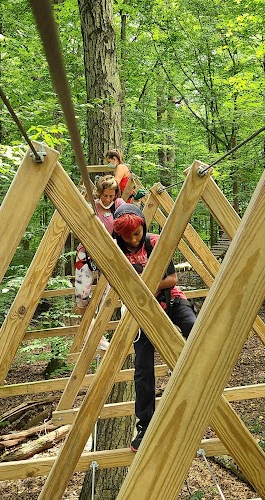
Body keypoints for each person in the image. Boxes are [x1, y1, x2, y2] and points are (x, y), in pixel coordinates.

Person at [113, 203, 197, 451]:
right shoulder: (116, 250)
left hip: (170, 298)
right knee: (143, 369)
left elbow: (172, 279)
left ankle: (189, 385)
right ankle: (145, 425)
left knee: (194, 329)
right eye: (127, 236)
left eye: (136, 234)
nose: (132, 240)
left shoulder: (154, 242)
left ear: (143, 227)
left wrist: (147, 285)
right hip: (141, 310)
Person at [74, 175, 125, 348]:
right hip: (86, 253)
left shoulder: (118, 206)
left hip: (107, 254)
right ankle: (90, 329)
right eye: (105, 195)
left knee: (106, 297)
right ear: (99, 193)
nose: (108, 199)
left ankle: (98, 333)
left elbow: (130, 216)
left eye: (111, 196)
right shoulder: (92, 207)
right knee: (82, 295)